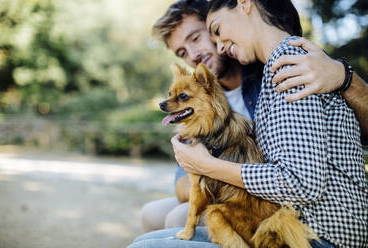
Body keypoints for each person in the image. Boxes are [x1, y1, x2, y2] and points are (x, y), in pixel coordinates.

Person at [140, 0, 368, 234]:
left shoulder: (281, 65)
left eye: (198, 37)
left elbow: (301, 180)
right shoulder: (196, 101)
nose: (194, 55)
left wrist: (345, 78)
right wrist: (204, 168)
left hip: (295, 208)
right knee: (150, 213)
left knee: (178, 218)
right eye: (182, 53)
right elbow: (183, 183)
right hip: (240, 190)